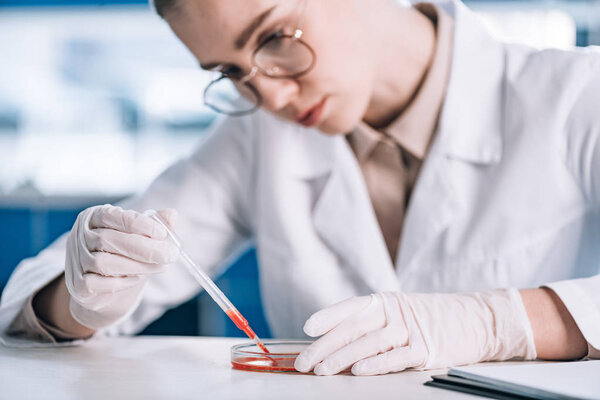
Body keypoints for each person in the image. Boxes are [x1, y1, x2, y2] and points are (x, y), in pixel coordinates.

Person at [1, 0, 599, 376]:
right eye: (231, 72)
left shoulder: (577, 93)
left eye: (274, 37)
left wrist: (493, 323)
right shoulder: (258, 138)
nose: (273, 97)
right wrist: (87, 295)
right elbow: (29, 304)